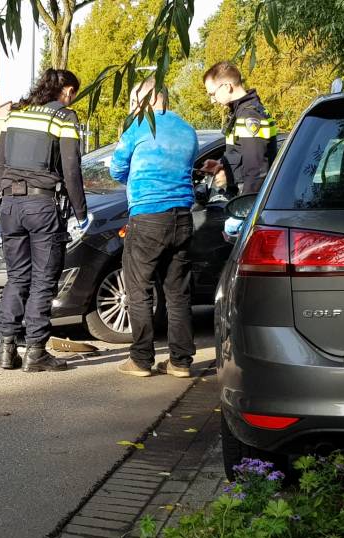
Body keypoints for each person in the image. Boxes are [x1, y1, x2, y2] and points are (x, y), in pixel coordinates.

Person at [0, 68, 88, 373]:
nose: (72, 99)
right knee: (44, 280)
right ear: (67, 91)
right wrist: (81, 213)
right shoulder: (64, 117)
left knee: (17, 277)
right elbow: (71, 169)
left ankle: (7, 349)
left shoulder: (16, 113)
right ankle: (35, 352)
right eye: (72, 94)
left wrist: (1, 197)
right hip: (42, 205)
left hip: (10, 205)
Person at [109, 77, 197, 378]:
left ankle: (141, 360)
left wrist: (135, 178)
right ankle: (180, 362)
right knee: (178, 293)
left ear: (147, 99)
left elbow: (116, 168)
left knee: (139, 289)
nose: (133, 107)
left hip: (147, 215)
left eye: (135, 101)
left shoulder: (137, 127)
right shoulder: (187, 130)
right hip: (182, 217)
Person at [201, 61, 278, 196]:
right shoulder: (241, 112)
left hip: (247, 197)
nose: (212, 100)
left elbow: (256, 171)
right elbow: (241, 155)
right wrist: (222, 166)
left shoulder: (249, 116)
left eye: (212, 94)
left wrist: (245, 204)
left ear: (227, 86)